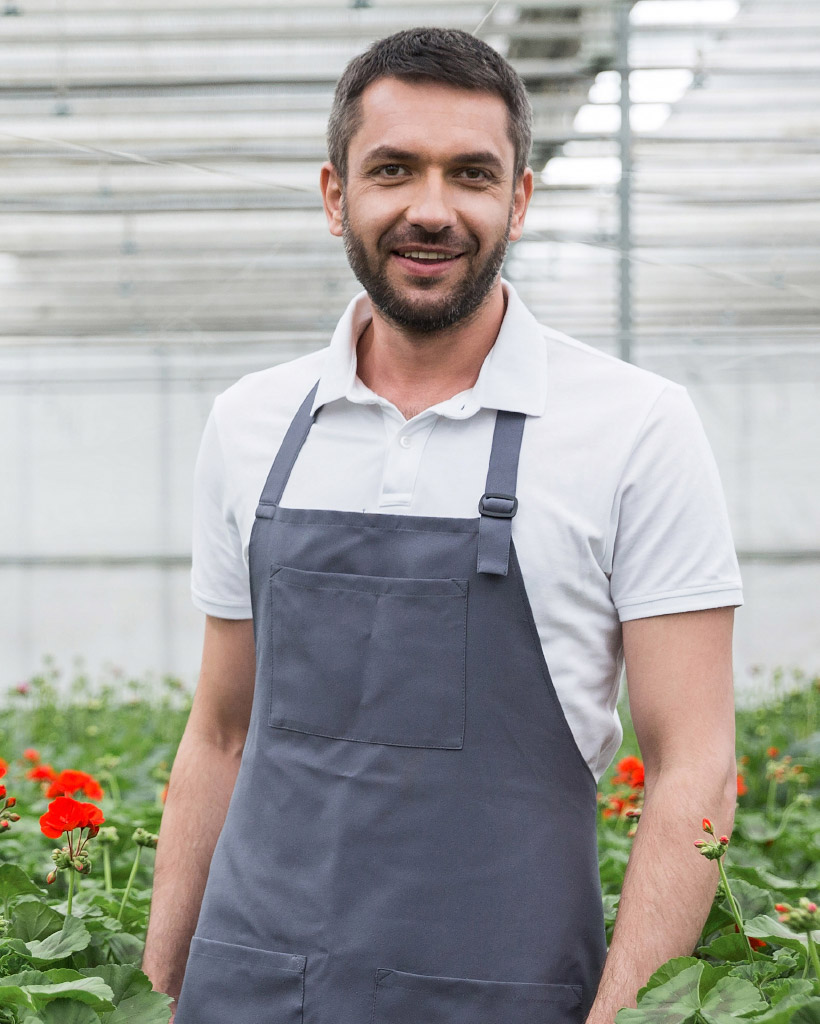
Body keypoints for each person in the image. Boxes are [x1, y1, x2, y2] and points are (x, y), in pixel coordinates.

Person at [142, 27, 742, 1024]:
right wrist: (164, 979)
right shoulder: (249, 423)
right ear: (337, 195)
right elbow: (221, 730)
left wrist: (621, 1012)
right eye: (392, 170)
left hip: (501, 990)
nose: (431, 208)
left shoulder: (634, 425)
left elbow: (696, 765)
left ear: (518, 199)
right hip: (251, 987)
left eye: (470, 173)